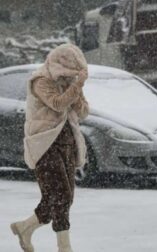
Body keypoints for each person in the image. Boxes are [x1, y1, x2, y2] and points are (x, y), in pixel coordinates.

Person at [10, 43, 89, 252]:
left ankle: (25, 227)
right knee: (61, 195)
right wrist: (75, 87)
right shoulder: (41, 81)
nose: (68, 77)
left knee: (61, 197)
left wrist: (77, 91)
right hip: (44, 145)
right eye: (66, 73)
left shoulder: (69, 82)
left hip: (67, 143)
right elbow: (57, 103)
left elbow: (83, 112)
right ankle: (64, 247)